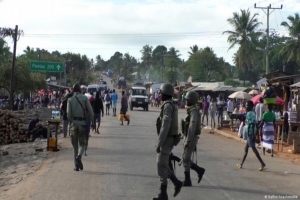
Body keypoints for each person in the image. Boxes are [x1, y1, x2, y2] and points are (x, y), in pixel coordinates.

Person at [153, 83, 183, 200]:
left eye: (161, 93)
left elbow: (165, 125)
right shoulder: (170, 104)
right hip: (169, 139)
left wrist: (159, 143)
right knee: (164, 164)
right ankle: (175, 183)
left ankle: (163, 193)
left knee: (160, 164)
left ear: (165, 93)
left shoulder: (167, 106)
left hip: (166, 139)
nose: (159, 94)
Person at [67, 83, 95, 171]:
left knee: (75, 145)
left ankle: (76, 166)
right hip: (82, 124)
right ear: (81, 90)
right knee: (82, 143)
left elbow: (68, 114)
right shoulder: (84, 98)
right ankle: (79, 156)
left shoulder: (70, 100)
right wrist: (93, 122)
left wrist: (70, 122)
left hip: (73, 124)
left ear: (73, 90)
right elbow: (91, 111)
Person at [181, 90, 205, 187]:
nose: (186, 101)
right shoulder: (192, 110)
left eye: (187, 100)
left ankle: (188, 180)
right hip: (189, 137)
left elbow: (192, 126)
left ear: (191, 100)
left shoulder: (194, 111)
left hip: (191, 137)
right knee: (185, 158)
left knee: (185, 159)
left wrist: (188, 140)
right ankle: (198, 171)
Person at [236, 101, 266, 171]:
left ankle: (262, 163)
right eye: (246, 105)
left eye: (247, 105)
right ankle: (241, 164)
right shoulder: (251, 113)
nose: (246, 107)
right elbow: (255, 124)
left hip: (250, 133)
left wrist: (253, 136)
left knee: (253, 149)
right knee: (246, 149)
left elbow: (252, 124)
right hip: (250, 133)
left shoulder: (250, 114)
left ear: (251, 106)